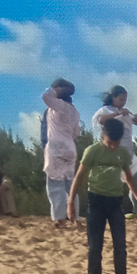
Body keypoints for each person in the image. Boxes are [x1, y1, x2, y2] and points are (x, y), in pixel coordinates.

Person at [67, 116, 137, 274]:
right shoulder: (92, 151)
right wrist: (71, 203)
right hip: (96, 203)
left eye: (116, 143)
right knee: (95, 246)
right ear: (103, 135)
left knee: (120, 246)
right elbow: (79, 177)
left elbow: (129, 178)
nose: (113, 147)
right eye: (110, 143)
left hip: (116, 203)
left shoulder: (123, 154)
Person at [92, 86, 137, 214]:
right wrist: (117, 114)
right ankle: (103, 211)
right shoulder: (105, 110)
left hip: (128, 152)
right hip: (112, 150)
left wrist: (133, 115)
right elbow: (101, 120)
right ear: (113, 98)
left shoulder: (125, 111)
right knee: (110, 182)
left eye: (125, 99)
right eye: (121, 99)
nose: (123, 102)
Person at [42, 78, 81, 225]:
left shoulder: (58, 106)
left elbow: (45, 96)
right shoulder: (74, 111)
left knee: (55, 185)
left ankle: (60, 219)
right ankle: (75, 218)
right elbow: (76, 133)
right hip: (70, 148)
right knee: (71, 185)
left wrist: (54, 89)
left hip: (55, 148)